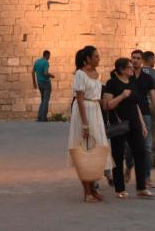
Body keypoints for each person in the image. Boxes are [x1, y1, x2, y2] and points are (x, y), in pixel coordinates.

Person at [67, 46, 112, 203]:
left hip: (95, 111)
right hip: (83, 112)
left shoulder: (97, 75)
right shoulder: (80, 74)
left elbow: (96, 96)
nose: (98, 59)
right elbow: (79, 98)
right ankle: (86, 191)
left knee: (97, 149)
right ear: (87, 58)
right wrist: (85, 124)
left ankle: (93, 188)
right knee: (84, 151)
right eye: (96, 57)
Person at [103, 58, 152, 199]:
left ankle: (141, 187)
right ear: (122, 69)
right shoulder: (111, 83)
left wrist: (142, 124)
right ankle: (120, 189)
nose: (132, 69)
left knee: (140, 151)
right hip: (119, 124)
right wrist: (122, 96)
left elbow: (136, 105)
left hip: (134, 123)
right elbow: (107, 105)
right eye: (129, 67)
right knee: (118, 155)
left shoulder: (132, 82)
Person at [127, 49, 155, 187]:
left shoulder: (147, 78)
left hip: (145, 114)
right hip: (130, 115)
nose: (135, 60)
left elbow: (154, 97)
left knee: (147, 147)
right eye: (133, 58)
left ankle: (147, 177)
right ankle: (128, 167)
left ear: (142, 61)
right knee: (129, 148)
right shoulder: (126, 76)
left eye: (137, 58)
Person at [32, 49, 54, 122]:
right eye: (49, 56)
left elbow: (32, 72)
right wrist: (51, 75)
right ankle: (43, 117)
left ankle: (39, 116)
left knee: (43, 100)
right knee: (45, 100)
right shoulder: (46, 62)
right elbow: (45, 73)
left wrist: (34, 83)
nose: (49, 57)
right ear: (47, 55)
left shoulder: (37, 61)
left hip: (39, 83)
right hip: (46, 83)